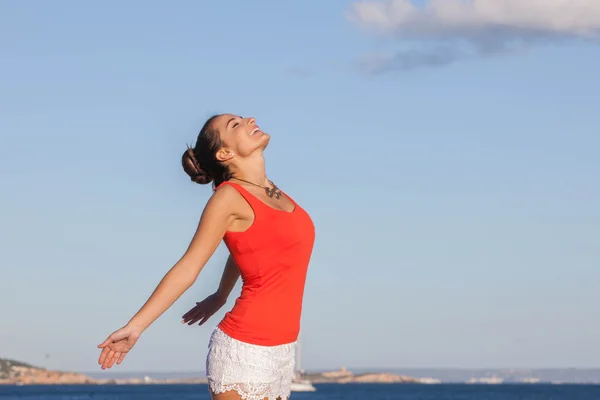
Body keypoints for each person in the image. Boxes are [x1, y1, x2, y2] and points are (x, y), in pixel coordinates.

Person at [97, 114, 316, 400]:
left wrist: (221, 294)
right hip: (246, 350)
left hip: (282, 350)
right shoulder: (227, 198)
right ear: (224, 153)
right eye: (235, 124)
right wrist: (136, 326)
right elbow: (189, 266)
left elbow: (249, 248)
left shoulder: (273, 191)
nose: (249, 119)